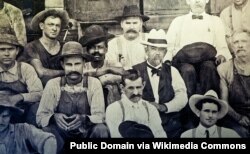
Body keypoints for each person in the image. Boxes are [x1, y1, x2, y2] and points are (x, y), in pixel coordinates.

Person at [36, 41, 109, 152]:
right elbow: (40, 118)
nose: (73, 69)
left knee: (101, 129)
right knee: (46, 130)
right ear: (62, 65)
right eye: (69, 65)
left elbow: (100, 116)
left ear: (84, 63)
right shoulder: (53, 84)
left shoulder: (94, 83)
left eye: (77, 64)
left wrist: (85, 119)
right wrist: (53, 117)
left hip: (86, 136)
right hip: (61, 136)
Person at [166, 0, 232, 97]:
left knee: (208, 67)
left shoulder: (215, 21)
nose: (197, 1)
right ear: (188, 1)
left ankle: (210, 104)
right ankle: (187, 108)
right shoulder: (178, 21)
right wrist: (167, 60)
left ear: (206, 0)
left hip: (208, 60)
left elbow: (222, 46)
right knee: (188, 70)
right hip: (184, 62)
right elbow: (170, 46)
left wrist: (221, 54)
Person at [133, 29, 188, 138]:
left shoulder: (172, 71)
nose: (157, 53)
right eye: (153, 48)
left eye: (161, 50)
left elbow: (182, 97)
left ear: (165, 52)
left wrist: (164, 107)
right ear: (146, 51)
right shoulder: (136, 70)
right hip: (143, 123)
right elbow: (128, 96)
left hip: (170, 123)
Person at [106, 69, 167, 138]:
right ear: (122, 88)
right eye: (131, 88)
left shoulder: (151, 108)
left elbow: (160, 135)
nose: (136, 92)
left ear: (143, 85)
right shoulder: (114, 109)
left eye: (138, 87)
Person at [0, 30, 43, 125]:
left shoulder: (25, 68)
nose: (6, 54)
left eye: (10, 49)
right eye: (2, 49)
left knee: (37, 107)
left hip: (22, 113)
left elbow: (40, 93)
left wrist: (19, 97)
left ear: (17, 51)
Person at [18, 9, 69, 86]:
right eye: (51, 25)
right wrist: (69, 72)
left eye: (57, 25)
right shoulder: (32, 47)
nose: (54, 29)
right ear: (42, 26)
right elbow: (41, 72)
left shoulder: (65, 46)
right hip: (40, 90)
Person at [79, 25, 125, 106]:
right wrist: (107, 70)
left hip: (113, 108)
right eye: (92, 48)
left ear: (106, 49)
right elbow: (82, 76)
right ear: (87, 50)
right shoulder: (83, 67)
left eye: (100, 47)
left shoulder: (114, 64)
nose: (96, 51)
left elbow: (122, 77)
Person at [217, 31, 250, 138]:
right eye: (236, 42)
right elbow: (224, 102)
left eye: (244, 41)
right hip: (234, 115)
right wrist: (238, 117)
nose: (240, 45)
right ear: (231, 47)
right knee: (240, 133)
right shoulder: (224, 68)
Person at [106, 5, 149, 69]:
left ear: (141, 24)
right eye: (128, 23)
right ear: (121, 24)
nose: (131, 27)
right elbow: (111, 68)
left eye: (135, 23)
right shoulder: (113, 44)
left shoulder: (148, 40)